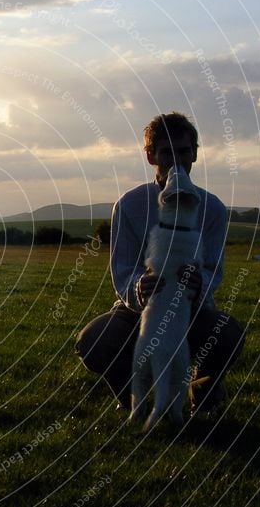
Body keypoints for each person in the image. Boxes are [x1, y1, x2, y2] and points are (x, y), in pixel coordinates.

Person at [75, 112, 245, 415]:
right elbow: (123, 271)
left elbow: (213, 270)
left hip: (191, 311)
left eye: (184, 151)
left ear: (194, 153)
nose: (177, 160)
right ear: (151, 155)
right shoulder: (129, 205)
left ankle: (203, 395)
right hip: (137, 313)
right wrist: (140, 287)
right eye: (167, 152)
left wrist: (199, 284)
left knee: (228, 334)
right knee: (95, 341)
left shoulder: (213, 208)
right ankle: (130, 399)